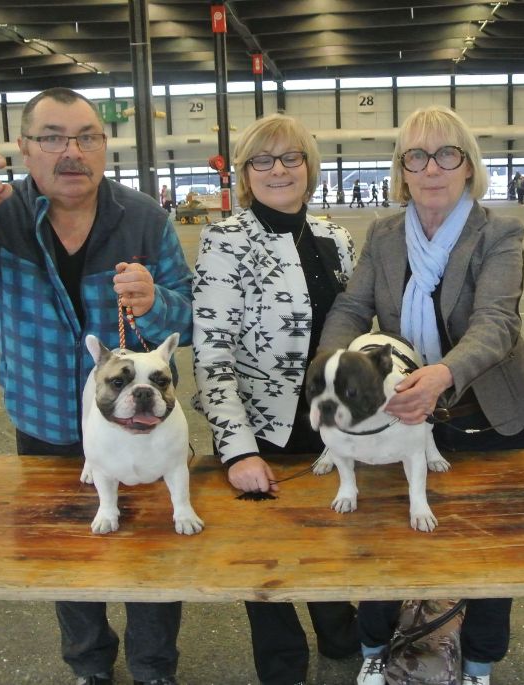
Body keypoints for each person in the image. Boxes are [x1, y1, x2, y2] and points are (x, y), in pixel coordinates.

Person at [0, 87, 193, 685]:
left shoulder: (146, 220)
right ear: (26, 148)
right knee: (66, 561)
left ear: (105, 148)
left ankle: (155, 670)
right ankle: (89, 668)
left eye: (86, 137)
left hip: (148, 432)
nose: (70, 151)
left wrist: (157, 302)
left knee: (155, 558)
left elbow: (188, 321)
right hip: (46, 430)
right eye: (52, 137)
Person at [317, 105, 524, 685]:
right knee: (383, 539)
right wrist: (332, 365)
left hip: (488, 415)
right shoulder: (383, 233)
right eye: (417, 156)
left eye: (447, 154)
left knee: (491, 554)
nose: (432, 168)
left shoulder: (498, 233)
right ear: (402, 169)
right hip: (399, 410)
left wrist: (442, 375)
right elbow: (352, 307)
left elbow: (496, 322)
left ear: (468, 166)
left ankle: (477, 663)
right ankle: (376, 648)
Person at [191, 113, 359, 685]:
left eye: (291, 158)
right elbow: (210, 354)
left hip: (332, 427)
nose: (277, 170)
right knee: (267, 564)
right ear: (244, 174)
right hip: (263, 430)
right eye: (261, 160)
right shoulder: (224, 240)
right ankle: (283, 667)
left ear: (309, 167)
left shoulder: (337, 237)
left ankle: (342, 637)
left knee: (333, 545)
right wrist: (237, 451)